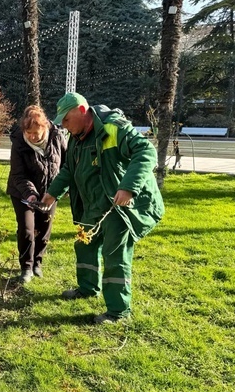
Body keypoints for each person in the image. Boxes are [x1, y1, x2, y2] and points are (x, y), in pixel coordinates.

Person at [40, 92, 165, 324]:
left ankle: (118, 312)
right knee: (84, 244)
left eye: (66, 120)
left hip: (117, 207)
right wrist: (52, 193)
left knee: (114, 255)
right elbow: (68, 169)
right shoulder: (77, 138)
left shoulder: (114, 128)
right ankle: (88, 288)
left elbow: (146, 152)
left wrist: (128, 187)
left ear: (81, 111)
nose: (64, 127)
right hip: (92, 205)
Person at [6, 105, 68, 284]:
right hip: (22, 192)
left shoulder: (57, 136)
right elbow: (18, 175)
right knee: (27, 228)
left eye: (36, 132)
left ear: (45, 127)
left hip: (50, 191)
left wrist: (57, 190)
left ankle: (37, 263)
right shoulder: (19, 141)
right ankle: (26, 267)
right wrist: (31, 194)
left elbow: (66, 164)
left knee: (44, 228)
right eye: (29, 133)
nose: (32, 137)